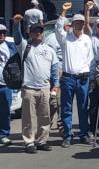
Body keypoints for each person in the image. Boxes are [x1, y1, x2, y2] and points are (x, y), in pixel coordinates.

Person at [12, 19, 59, 153]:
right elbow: (16, 37)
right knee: (28, 118)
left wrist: (55, 85)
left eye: (40, 31)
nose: (38, 33)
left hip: (45, 88)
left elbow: (54, 69)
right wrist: (16, 25)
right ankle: (29, 142)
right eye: (35, 31)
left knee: (45, 117)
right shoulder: (25, 46)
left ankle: (41, 141)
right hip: (29, 88)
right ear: (30, 33)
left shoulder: (49, 50)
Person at [55, 2, 94, 147]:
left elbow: (90, 59)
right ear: (72, 24)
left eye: (81, 23)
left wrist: (88, 75)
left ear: (84, 24)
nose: (79, 25)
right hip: (68, 78)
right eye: (76, 22)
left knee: (84, 107)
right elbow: (58, 28)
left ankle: (84, 134)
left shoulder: (87, 39)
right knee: (66, 108)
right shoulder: (65, 39)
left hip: (83, 78)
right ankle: (67, 136)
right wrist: (63, 11)